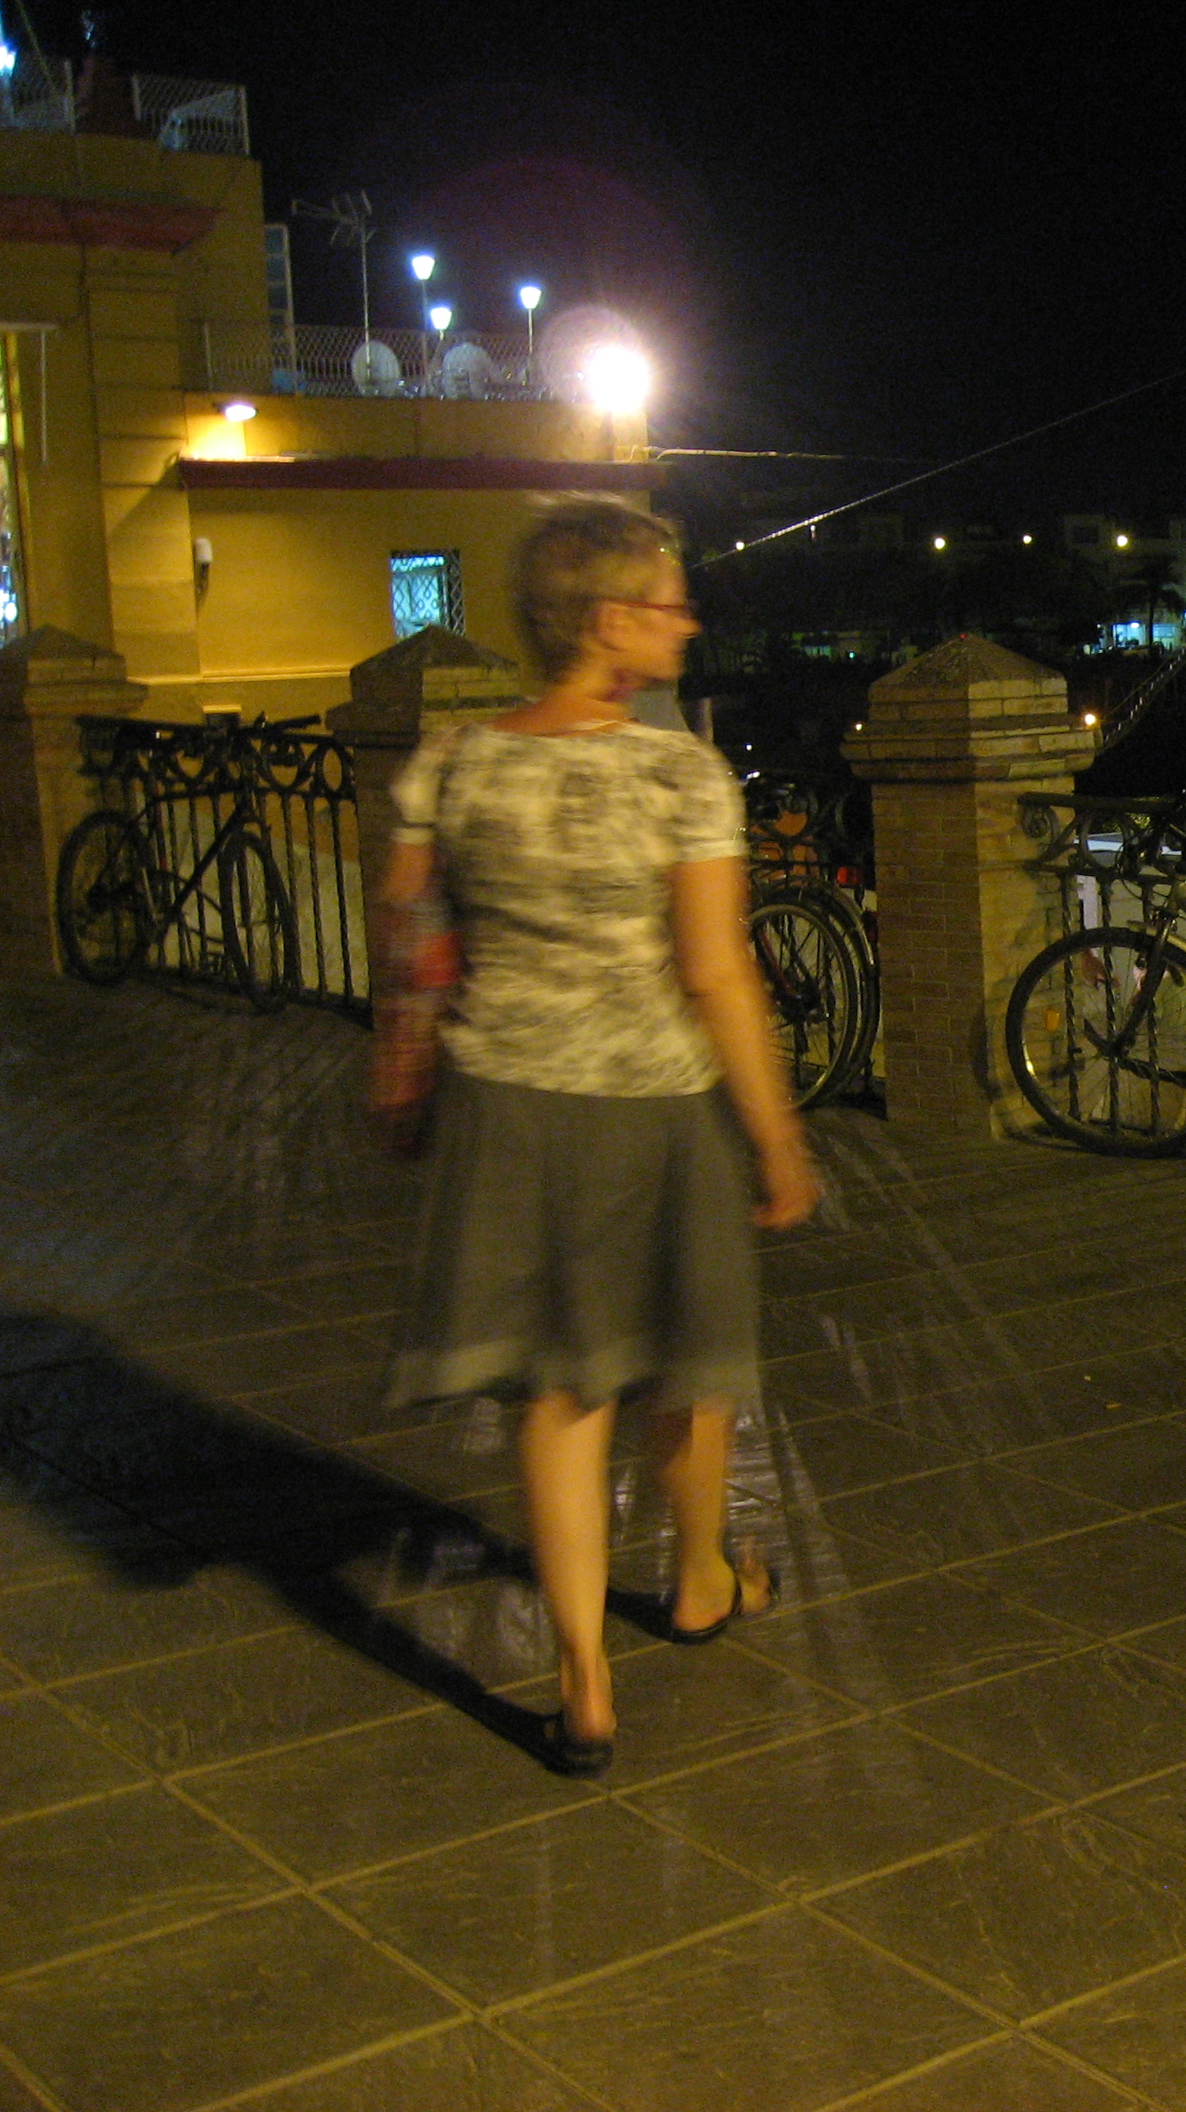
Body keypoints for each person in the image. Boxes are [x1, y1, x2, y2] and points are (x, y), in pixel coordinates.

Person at [377, 497, 819, 1777]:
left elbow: (408, 938)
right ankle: (699, 1579)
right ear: (610, 619)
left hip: (506, 1108)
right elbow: (716, 972)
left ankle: (582, 1685)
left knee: (558, 1396)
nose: (688, 621)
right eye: (671, 602)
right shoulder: (680, 775)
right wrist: (777, 1140)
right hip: (656, 1110)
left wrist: (403, 1072)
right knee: (690, 1366)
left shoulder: (452, 764)